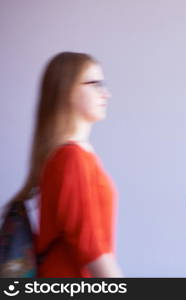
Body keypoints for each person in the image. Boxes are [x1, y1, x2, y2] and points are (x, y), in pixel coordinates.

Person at [9, 52, 122, 277]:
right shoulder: (71, 159)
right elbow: (92, 249)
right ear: (67, 90)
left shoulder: (78, 156)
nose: (106, 93)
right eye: (94, 84)